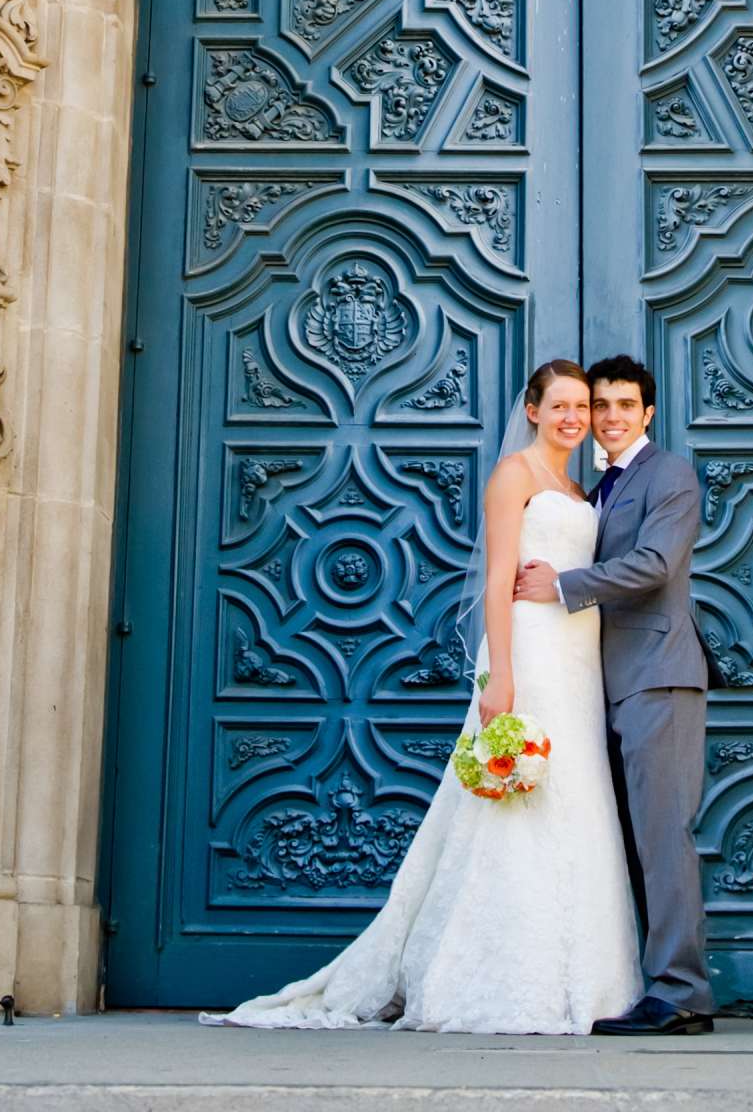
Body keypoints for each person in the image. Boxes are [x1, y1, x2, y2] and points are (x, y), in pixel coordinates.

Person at [202, 359, 642, 1034]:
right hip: (529, 650)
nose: (574, 418)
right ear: (531, 410)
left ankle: (587, 976)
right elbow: (498, 580)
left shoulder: (577, 485)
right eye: (560, 406)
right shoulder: (515, 476)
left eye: (582, 408)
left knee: (576, 796)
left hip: (577, 658)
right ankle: (508, 975)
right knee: (520, 805)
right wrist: (500, 676)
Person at [515, 354, 714, 1036]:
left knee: (662, 836)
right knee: (623, 841)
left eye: (625, 405)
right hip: (596, 682)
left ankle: (683, 993)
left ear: (648, 413)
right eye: (601, 405)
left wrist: (565, 585)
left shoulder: (671, 475)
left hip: (657, 674)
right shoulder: (594, 488)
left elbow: (658, 565)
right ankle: (639, 981)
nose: (609, 416)